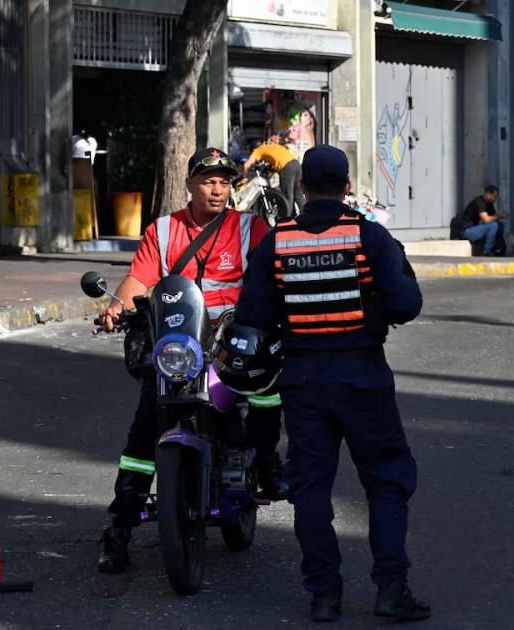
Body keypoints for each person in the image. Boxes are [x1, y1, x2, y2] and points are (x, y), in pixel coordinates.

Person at [236, 145, 429, 623]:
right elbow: (407, 305)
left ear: (301, 188)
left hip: (302, 380)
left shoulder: (275, 242)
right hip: (362, 375)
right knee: (385, 481)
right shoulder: (370, 237)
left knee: (310, 487)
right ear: (346, 187)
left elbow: (251, 318)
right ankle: (391, 590)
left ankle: (324, 595)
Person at [96, 147, 289, 574]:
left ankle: (268, 458)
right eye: (207, 181)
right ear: (188, 184)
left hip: (230, 343)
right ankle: (118, 529)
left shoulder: (250, 227)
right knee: (142, 436)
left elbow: (269, 276)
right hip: (178, 347)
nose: (216, 189)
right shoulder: (163, 230)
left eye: (223, 181)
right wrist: (115, 308)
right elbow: (138, 279)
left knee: (264, 392)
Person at [244, 138, 306, 216]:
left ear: (253, 149)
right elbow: (278, 159)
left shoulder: (258, 151)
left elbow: (246, 165)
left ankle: (287, 218)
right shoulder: (271, 146)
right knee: (298, 194)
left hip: (287, 168)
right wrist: (272, 170)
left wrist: (244, 177)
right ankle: (306, 215)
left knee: (287, 195)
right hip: (296, 164)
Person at [460, 185, 505, 256]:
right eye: (494, 196)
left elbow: (492, 217)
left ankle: (496, 247)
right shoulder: (480, 202)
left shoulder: (489, 204)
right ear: (488, 194)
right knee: (493, 225)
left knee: (500, 225)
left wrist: (499, 216)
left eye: (497, 196)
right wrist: (499, 216)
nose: (496, 198)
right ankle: (487, 251)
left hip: (477, 228)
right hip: (468, 231)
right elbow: (487, 219)